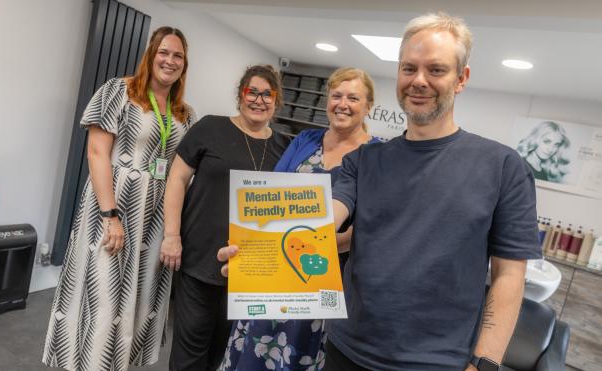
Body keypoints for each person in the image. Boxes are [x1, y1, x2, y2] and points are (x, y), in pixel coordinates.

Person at [219, 12, 541, 371]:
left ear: (461, 78)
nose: (419, 80)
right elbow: (325, 221)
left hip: (437, 362)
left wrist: (485, 363)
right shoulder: (365, 159)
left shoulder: (502, 167)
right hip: (345, 351)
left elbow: (509, 275)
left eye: (436, 70)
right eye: (409, 68)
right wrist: (257, 258)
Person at [42, 27, 195, 371]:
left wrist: (173, 232)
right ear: (150, 55)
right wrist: (110, 214)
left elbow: (180, 172)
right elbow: (97, 152)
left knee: (137, 299)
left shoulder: (185, 113)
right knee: (103, 294)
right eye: (164, 53)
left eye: (178, 56)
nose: (170, 61)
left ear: (185, 65)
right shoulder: (119, 91)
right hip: (114, 204)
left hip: (155, 216)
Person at [218, 67, 381, 371]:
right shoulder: (306, 139)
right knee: (255, 347)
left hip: (325, 281)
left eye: (353, 98)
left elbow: (382, 222)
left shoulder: (378, 153)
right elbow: (271, 196)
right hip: (277, 273)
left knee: (300, 352)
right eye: (336, 95)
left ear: (368, 106)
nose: (342, 103)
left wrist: (343, 241)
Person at [161, 65, 291, 371]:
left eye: (267, 94)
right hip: (198, 257)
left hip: (249, 271)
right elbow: (177, 179)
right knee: (189, 350)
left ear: (277, 100)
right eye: (252, 92)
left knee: (223, 350)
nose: (259, 100)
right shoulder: (210, 128)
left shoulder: (284, 147)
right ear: (240, 95)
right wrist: (171, 235)